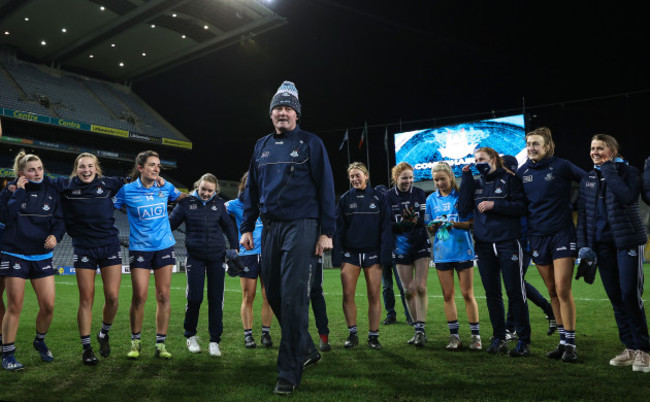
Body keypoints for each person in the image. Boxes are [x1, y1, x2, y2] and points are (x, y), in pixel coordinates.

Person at [240, 81, 336, 395]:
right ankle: (306, 348)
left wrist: (326, 232)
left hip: (303, 225)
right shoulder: (261, 145)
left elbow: (326, 189)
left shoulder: (311, 143)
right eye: (277, 108)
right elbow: (252, 190)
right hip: (270, 228)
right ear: (271, 114)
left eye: (288, 108)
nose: (282, 113)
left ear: (296, 114)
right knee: (275, 295)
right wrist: (246, 226)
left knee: (295, 297)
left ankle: (289, 372)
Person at [576, 134, 649, 372]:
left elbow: (627, 197)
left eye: (600, 148)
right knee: (616, 297)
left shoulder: (628, 172)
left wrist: (609, 169)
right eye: (592, 148)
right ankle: (629, 347)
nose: (595, 152)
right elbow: (585, 216)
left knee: (630, 295)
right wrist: (584, 247)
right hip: (602, 246)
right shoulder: (588, 178)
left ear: (613, 151)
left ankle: (644, 351)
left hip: (627, 241)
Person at [50, 153, 127, 365]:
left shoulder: (108, 184)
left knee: (112, 297)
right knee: (87, 298)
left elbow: (132, 179)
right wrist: (17, 183)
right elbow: (41, 180)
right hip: (84, 248)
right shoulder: (65, 186)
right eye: (82, 166)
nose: (86, 170)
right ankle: (86, 349)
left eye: (90, 166)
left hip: (109, 245)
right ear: (76, 168)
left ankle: (104, 333)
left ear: (96, 168)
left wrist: (156, 179)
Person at [517, 127, 586, 362]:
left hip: (562, 234)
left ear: (547, 147)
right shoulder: (522, 172)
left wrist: (576, 205)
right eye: (528, 144)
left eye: (536, 144)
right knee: (552, 292)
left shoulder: (561, 166)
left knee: (563, 289)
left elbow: (587, 180)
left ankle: (571, 346)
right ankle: (563, 342)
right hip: (537, 237)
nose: (531, 148)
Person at [458, 147, 531, 357]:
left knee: (515, 291)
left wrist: (494, 205)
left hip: (508, 241)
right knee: (492, 294)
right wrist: (465, 177)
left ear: (494, 160)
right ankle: (499, 338)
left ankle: (523, 340)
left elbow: (521, 208)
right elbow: (463, 208)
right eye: (476, 159)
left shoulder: (510, 180)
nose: (479, 162)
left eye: (483, 158)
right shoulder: (476, 183)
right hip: (484, 244)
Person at [113, 150, 184, 360]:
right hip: (140, 248)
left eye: (159, 166)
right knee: (140, 296)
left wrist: (203, 195)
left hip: (164, 246)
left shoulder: (165, 188)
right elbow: (109, 207)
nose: (156, 169)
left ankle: (161, 344)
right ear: (140, 168)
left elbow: (182, 198)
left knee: (163, 295)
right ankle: (135, 342)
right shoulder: (127, 191)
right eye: (152, 165)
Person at [0, 151, 65, 370]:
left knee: (48, 306)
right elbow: (6, 217)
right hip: (14, 253)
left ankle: (40, 340)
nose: (37, 173)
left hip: (42, 256)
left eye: (40, 169)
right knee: (15, 305)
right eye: (31, 170)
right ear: (22, 174)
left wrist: (56, 236)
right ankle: (8, 353)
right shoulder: (9, 192)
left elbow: (59, 221)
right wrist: (19, 190)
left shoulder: (52, 192)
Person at [169, 173, 237, 357]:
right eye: (203, 189)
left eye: (210, 190)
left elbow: (229, 227)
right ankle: (190, 336)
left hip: (217, 257)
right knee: (194, 298)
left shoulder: (220, 205)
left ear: (215, 190)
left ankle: (214, 341)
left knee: (216, 300)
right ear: (197, 186)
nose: (206, 193)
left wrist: (235, 248)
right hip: (195, 258)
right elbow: (169, 225)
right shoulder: (185, 203)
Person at [333, 162, 391, 350]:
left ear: (366, 176)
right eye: (352, 177)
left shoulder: (379, 198)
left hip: (373, 254)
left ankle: (373, 336)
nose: (355, 179)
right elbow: (339, 230)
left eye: (358, 175)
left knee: (374, 295)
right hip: (351, 255)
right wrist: (337, 255)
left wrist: (384, 255)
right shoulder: (344, 200)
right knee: (348, 295)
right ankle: (353, 334)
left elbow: (385, 228)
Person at [425, 162, 481, 351]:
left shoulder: (461, 196)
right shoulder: (431, 200)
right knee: (448, 295)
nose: (439, 183)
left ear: (451, 177)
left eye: (442, 179)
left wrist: (453, 225)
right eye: (436, 180)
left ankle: (475, 337)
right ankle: (454, 337)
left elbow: (472, 223)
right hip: (442, 253)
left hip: (463, 249)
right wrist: (433, 225)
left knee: (467, 294)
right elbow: (430, 229)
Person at [501, 155, 556, 340]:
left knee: (514, 285)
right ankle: (548, 310)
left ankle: (510, 328)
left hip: (523, 243)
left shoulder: (521, 188)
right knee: (515, 284)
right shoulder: (507, 187)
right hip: (511, 243)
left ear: (511, 169)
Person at [225, 172, 274, 349]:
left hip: (269, 253)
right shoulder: (235, 204)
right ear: (244, 185)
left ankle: (266, 334)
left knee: (269, 296)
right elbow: (214, 207)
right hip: (247, 254)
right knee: (249, 296)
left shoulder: (268, 202)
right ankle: (248, 335)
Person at [386, 162, 431, 347]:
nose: (408, 181)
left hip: (420, 243)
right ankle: (417, 329)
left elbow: (424, 218)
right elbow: (386, 223)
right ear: (396, 177)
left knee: (420, 286)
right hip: (400, 246)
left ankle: (420, 330)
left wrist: (416, 220)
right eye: (404, 177)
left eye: (411, 177)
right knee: (407, 290)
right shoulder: (388, 196)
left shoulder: (419, 193)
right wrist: (400, 225)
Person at [374, 184, 412, 326]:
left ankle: (409, 315)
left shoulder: (394, 210)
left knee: (403, 286)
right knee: (386, 287)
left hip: (398, 251)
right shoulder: (374, 214)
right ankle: (391, 314)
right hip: (382, 254)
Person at [309, 257, 331, 352]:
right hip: (294, 250)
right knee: (296, 293)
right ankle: (297, 337)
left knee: (316, 290)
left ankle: (323, 335)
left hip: (314, 252)